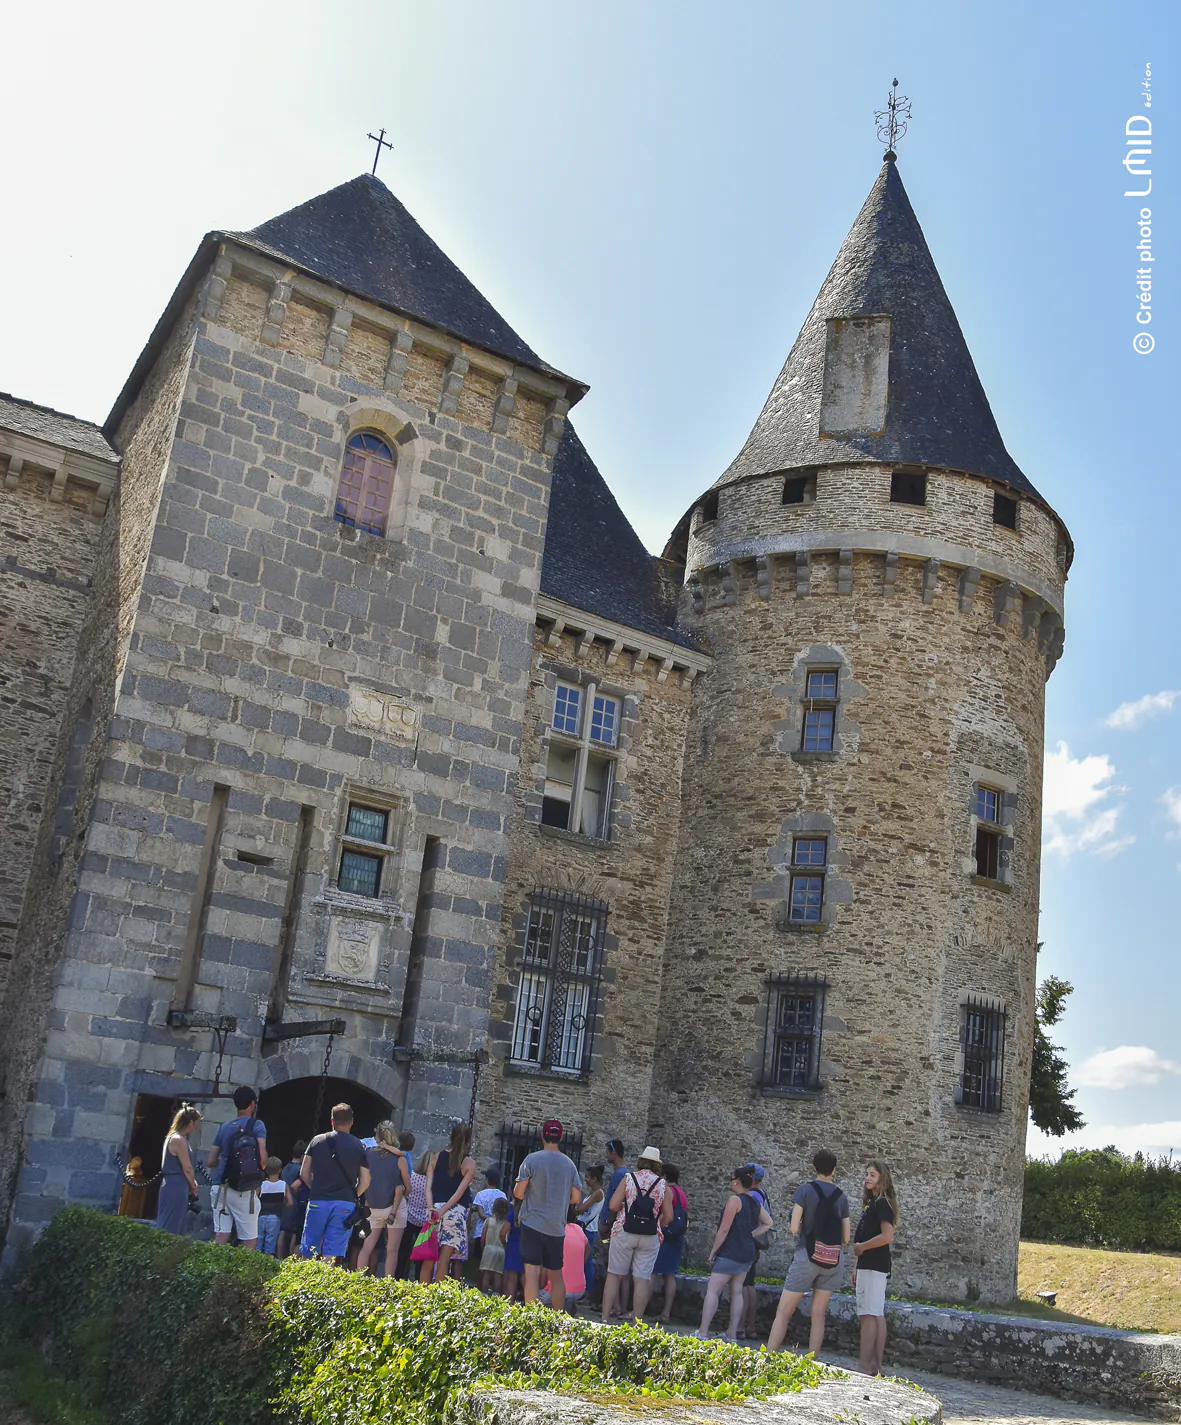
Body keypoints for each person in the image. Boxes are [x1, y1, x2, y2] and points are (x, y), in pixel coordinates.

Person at [766, 1148, 851, 1357]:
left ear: (814, 1167)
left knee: (784, 1311)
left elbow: (794, 1228)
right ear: (834, 1169)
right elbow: (847, 1238)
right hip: (832, 1259)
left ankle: (768, 1357)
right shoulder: (842, 1197)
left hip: (808, 1255)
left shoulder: (804, 1191)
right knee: (819, 1315)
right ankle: (811, 1362)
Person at [696, 1165, 771, 1340]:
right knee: (737, 1291)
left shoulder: (735, 1201)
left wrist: (713, 1251)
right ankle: (732, 1333)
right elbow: (768, 1222)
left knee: (713, 1290)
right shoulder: (754, 1201)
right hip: (747, 1252)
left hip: (730, 1251)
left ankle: (703, 1332)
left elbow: (723, 1230)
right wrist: (751, 1234)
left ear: (737, 1181)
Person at [513, 1118, 582, 1310]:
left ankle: (532, 1318)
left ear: (543, 1135)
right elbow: (576, 1197)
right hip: (556, 1226)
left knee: (532, 1272)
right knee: (556, 1274)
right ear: (560, 1137)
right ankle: (558, 1317)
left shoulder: (532, 1160)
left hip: (532, 1223)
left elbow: (518, 1193)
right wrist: (558, 1200)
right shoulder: (570, 1165)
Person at [601, 1146, 672, 1326]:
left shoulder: (629, 1179)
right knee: (642, 1279)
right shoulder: (664, 1186)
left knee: (614, 1275)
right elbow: (669, 1216)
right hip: (649, 1235)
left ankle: (604, 1319)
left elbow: (613, 1205)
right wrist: (658, 1224)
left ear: (641, 1161)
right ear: (657, 1165)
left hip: (625, 1230)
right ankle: (637, 1323)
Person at [294, 1102, 371, 1264]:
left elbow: (304, 1172)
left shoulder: (317, 1141)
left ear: (332, 1121)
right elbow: (365, 1181)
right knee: (332, 1253)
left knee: (309, 1249)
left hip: (318, 1199)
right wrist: (351, 1195)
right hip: (344, 1203)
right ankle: (325, 1284)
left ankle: (304, 1283)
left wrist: (315, 1188)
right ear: (352, 1121)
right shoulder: (359, 1146)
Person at [852, 1160, 899, 1375]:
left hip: (872, 1265)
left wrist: (862, 1247)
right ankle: (875, 1365)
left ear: (882, 1179)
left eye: (873, 1175)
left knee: (868, 1315)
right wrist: (856, 1265)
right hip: (871, 1265)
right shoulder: (875, 1203)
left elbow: (887, 1236)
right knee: (876, 1313)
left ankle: (864, 1365)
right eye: (867, 1174)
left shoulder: (881, 1203)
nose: (868, 1178)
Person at [206, 1086, 267, 1250]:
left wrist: (227, 1163)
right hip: (244, 1189)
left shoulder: (224, 1127)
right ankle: (242, 1274)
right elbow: (262, 1160)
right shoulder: (257, 1125)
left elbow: (210, 1161)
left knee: (221, 1235)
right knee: (249, 1240)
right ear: (252, 1104)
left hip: (220, 1186)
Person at [356, 1121, 412, 1276]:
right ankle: (387, 1285)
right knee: (392, 1249)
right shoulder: (399, 1159)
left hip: (373, 1205)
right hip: (395, 1206)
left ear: (377, 1135)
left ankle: (356, 1280)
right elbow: (408, 1187)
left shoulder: (368, 1154)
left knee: (367, 1246)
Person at [427, 1122, 476, 1282]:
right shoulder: (469, 1163)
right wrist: (444, 1211)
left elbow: (428, 1188)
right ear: (468, 1141)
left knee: (428, 1257)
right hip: (454, 1212)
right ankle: (437, 1298)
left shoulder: (435, 1157)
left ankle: (420, 1295)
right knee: (444, 1259)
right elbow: (459, 1192)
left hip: (434, 1210)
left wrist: (431, 1209)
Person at [156, 1104, 202, 1235]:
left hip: (173, 1183)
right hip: (176, 1184)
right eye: (195, 1123)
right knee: (171, 1224)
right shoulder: (179, 1140)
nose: (196, 1127)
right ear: (190, 1122)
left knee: (172, 1221)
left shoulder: (173, 1137)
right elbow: (187, 1168)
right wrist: (193, 1185)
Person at [653, 1162, 688, 1324]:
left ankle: (639, 1309)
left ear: (665, 1175)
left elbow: (665, 1214)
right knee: (670, 1276)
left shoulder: (668, 1191)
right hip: (677, 1237)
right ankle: (666, 1312)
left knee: (652, 1273)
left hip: (665, 1236)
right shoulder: (682, 1193)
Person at [539, 1205, 593, 1312]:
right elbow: (588, 1250)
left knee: (533, 1295)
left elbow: (546, 1264)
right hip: (580, 1289)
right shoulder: (578, 1229)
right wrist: (579, 1264)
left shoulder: (554, 1231)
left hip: (557, 1290)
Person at [740, 1162, 770, 1339]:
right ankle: (750, 1327)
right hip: (756, 1245)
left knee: (743, 1286)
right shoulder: (762, 1193)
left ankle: (741, 1327)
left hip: (748, 1243)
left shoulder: (751, 1195)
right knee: (750, 1285)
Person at [398, 1145, 433, 1279]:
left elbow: (406, 1194)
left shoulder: (412, 1176)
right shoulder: (431, 1182)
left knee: (403, 1251)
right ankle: (419, 1280)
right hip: (425, 1221)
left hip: (409, 1216)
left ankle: (400, 1277)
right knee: (421, 1255)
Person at [277, 1140, 309, 1258]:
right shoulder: (300, 1170)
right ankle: (291, 1256)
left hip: (284, 1200)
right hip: (294, 1201)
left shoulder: (286, 1167)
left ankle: (279, 1255)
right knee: (295, 1231)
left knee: (283, 1230)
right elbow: (295, 1186)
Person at [257, 1157, 290, 1256]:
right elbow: (290, 1202)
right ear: (280, 1170)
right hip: (275, 1217)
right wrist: (282, 1204)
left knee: (258, 1240)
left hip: (261, 1215)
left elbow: (253, 1198)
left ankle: (255, 1261)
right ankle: (267, 1262)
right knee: (270, 1243)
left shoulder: (262, 1184)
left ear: (266, 1170)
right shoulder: (284, 1185)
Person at [471, 1167, 507, 1249]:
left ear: (486, 1179)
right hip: (496, 1231)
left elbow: (481, 1214)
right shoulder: (502, 1195)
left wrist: (489, 1219)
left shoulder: (480, 1194)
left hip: (481, 1231)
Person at [479, 1196, 509, 1293]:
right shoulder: (506, 1223)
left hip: (489, 1248)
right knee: (498, 1275)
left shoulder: (489, 1220)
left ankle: (483, 1293)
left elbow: (483, 1237)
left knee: (486, 1273)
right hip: (501, 1249)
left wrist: (482, 1247)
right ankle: (495, 1295)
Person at [500, 1200, 524, 1302]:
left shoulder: (513, 1214)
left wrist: (505, 1244)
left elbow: (502, 1233)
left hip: (513, 1246)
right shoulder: (530, 1215)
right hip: (527, 1246)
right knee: (526, 1279)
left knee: (511, 1279)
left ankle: (510, 1304)